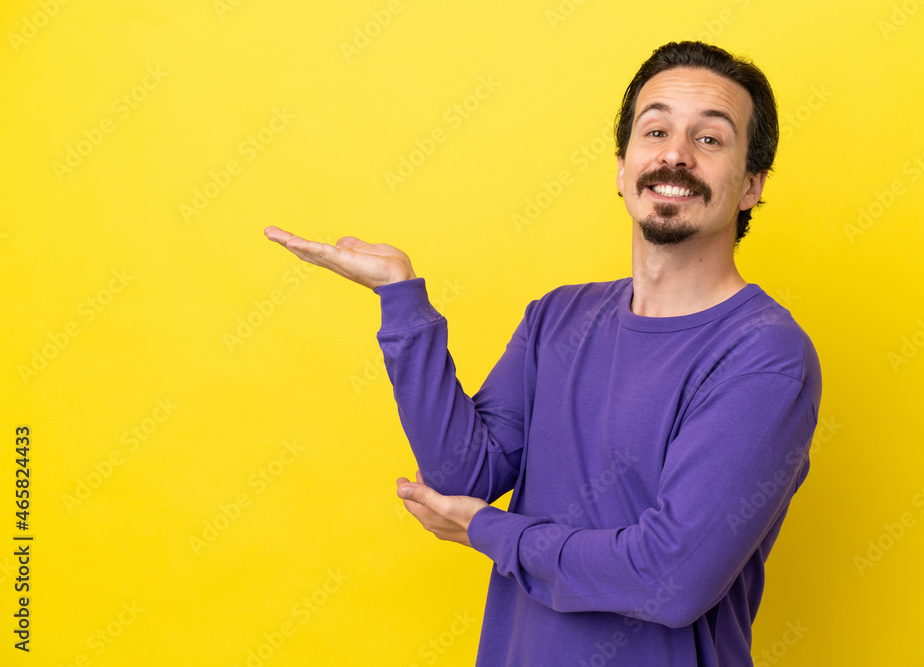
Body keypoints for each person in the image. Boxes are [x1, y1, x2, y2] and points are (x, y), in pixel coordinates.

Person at [264, 40, 821, 666]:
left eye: (710, 139)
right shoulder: (559, 318)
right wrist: (402, 303)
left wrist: (487, 529)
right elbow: (463, 478)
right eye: (656, 130)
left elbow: (669, 579)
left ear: (750, 185)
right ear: (622, 167)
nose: (675, 154)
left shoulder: (764, 356)